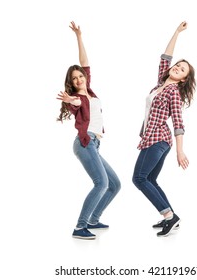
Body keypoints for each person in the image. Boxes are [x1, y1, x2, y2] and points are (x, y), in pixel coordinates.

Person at [56, 21, 121, 240]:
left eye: (80, 76)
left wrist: (79, 36)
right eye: (74, 79)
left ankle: (94, 219)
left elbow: (84, 63)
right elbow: (75, 103)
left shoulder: (90, 91)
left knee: (115, 184)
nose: (78, 79)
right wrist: (70, 99)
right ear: (72, 84)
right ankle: (80, 226)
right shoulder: (78, 98)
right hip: (85, 142)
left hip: (95, 143)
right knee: (101, 183)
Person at [132, 21, 196, 237]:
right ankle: (170, 217)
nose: (177, 67)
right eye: (178, 65)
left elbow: (178, 123)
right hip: (156, 140)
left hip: (158, 140)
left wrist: (180, 151)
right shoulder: (161, 83)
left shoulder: (173, 93)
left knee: (139, 179)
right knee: (150, 180)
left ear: (184, 79)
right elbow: (165, 58)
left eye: (182, 69)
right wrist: (177, 32)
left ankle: (170, 216)